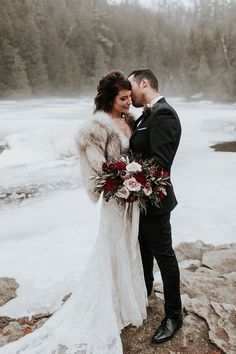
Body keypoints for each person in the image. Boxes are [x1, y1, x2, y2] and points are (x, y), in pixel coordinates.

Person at [0, 71, 147, 354]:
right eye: (123, 98)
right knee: (113, 245)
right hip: (115, 199)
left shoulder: (129, 120)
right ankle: (109, 306)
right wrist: (119, 183)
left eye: (130, 98)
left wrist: (137, 180)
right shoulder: (93, 128)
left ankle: (129, 300)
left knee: (130, 246)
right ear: (109, 99)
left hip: (132, 199)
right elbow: (97, 170)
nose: (129, 103)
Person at [128, 69, 182, 343]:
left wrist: (127, 178)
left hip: (156, 200)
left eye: (131, 86)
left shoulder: (163, 114)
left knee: (164, 255)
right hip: (140, 199)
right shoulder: (145, 116)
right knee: (143, 248)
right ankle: (146, 292)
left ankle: (174, 315)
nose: (129, 94)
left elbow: (161, 164)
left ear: (144, 83)